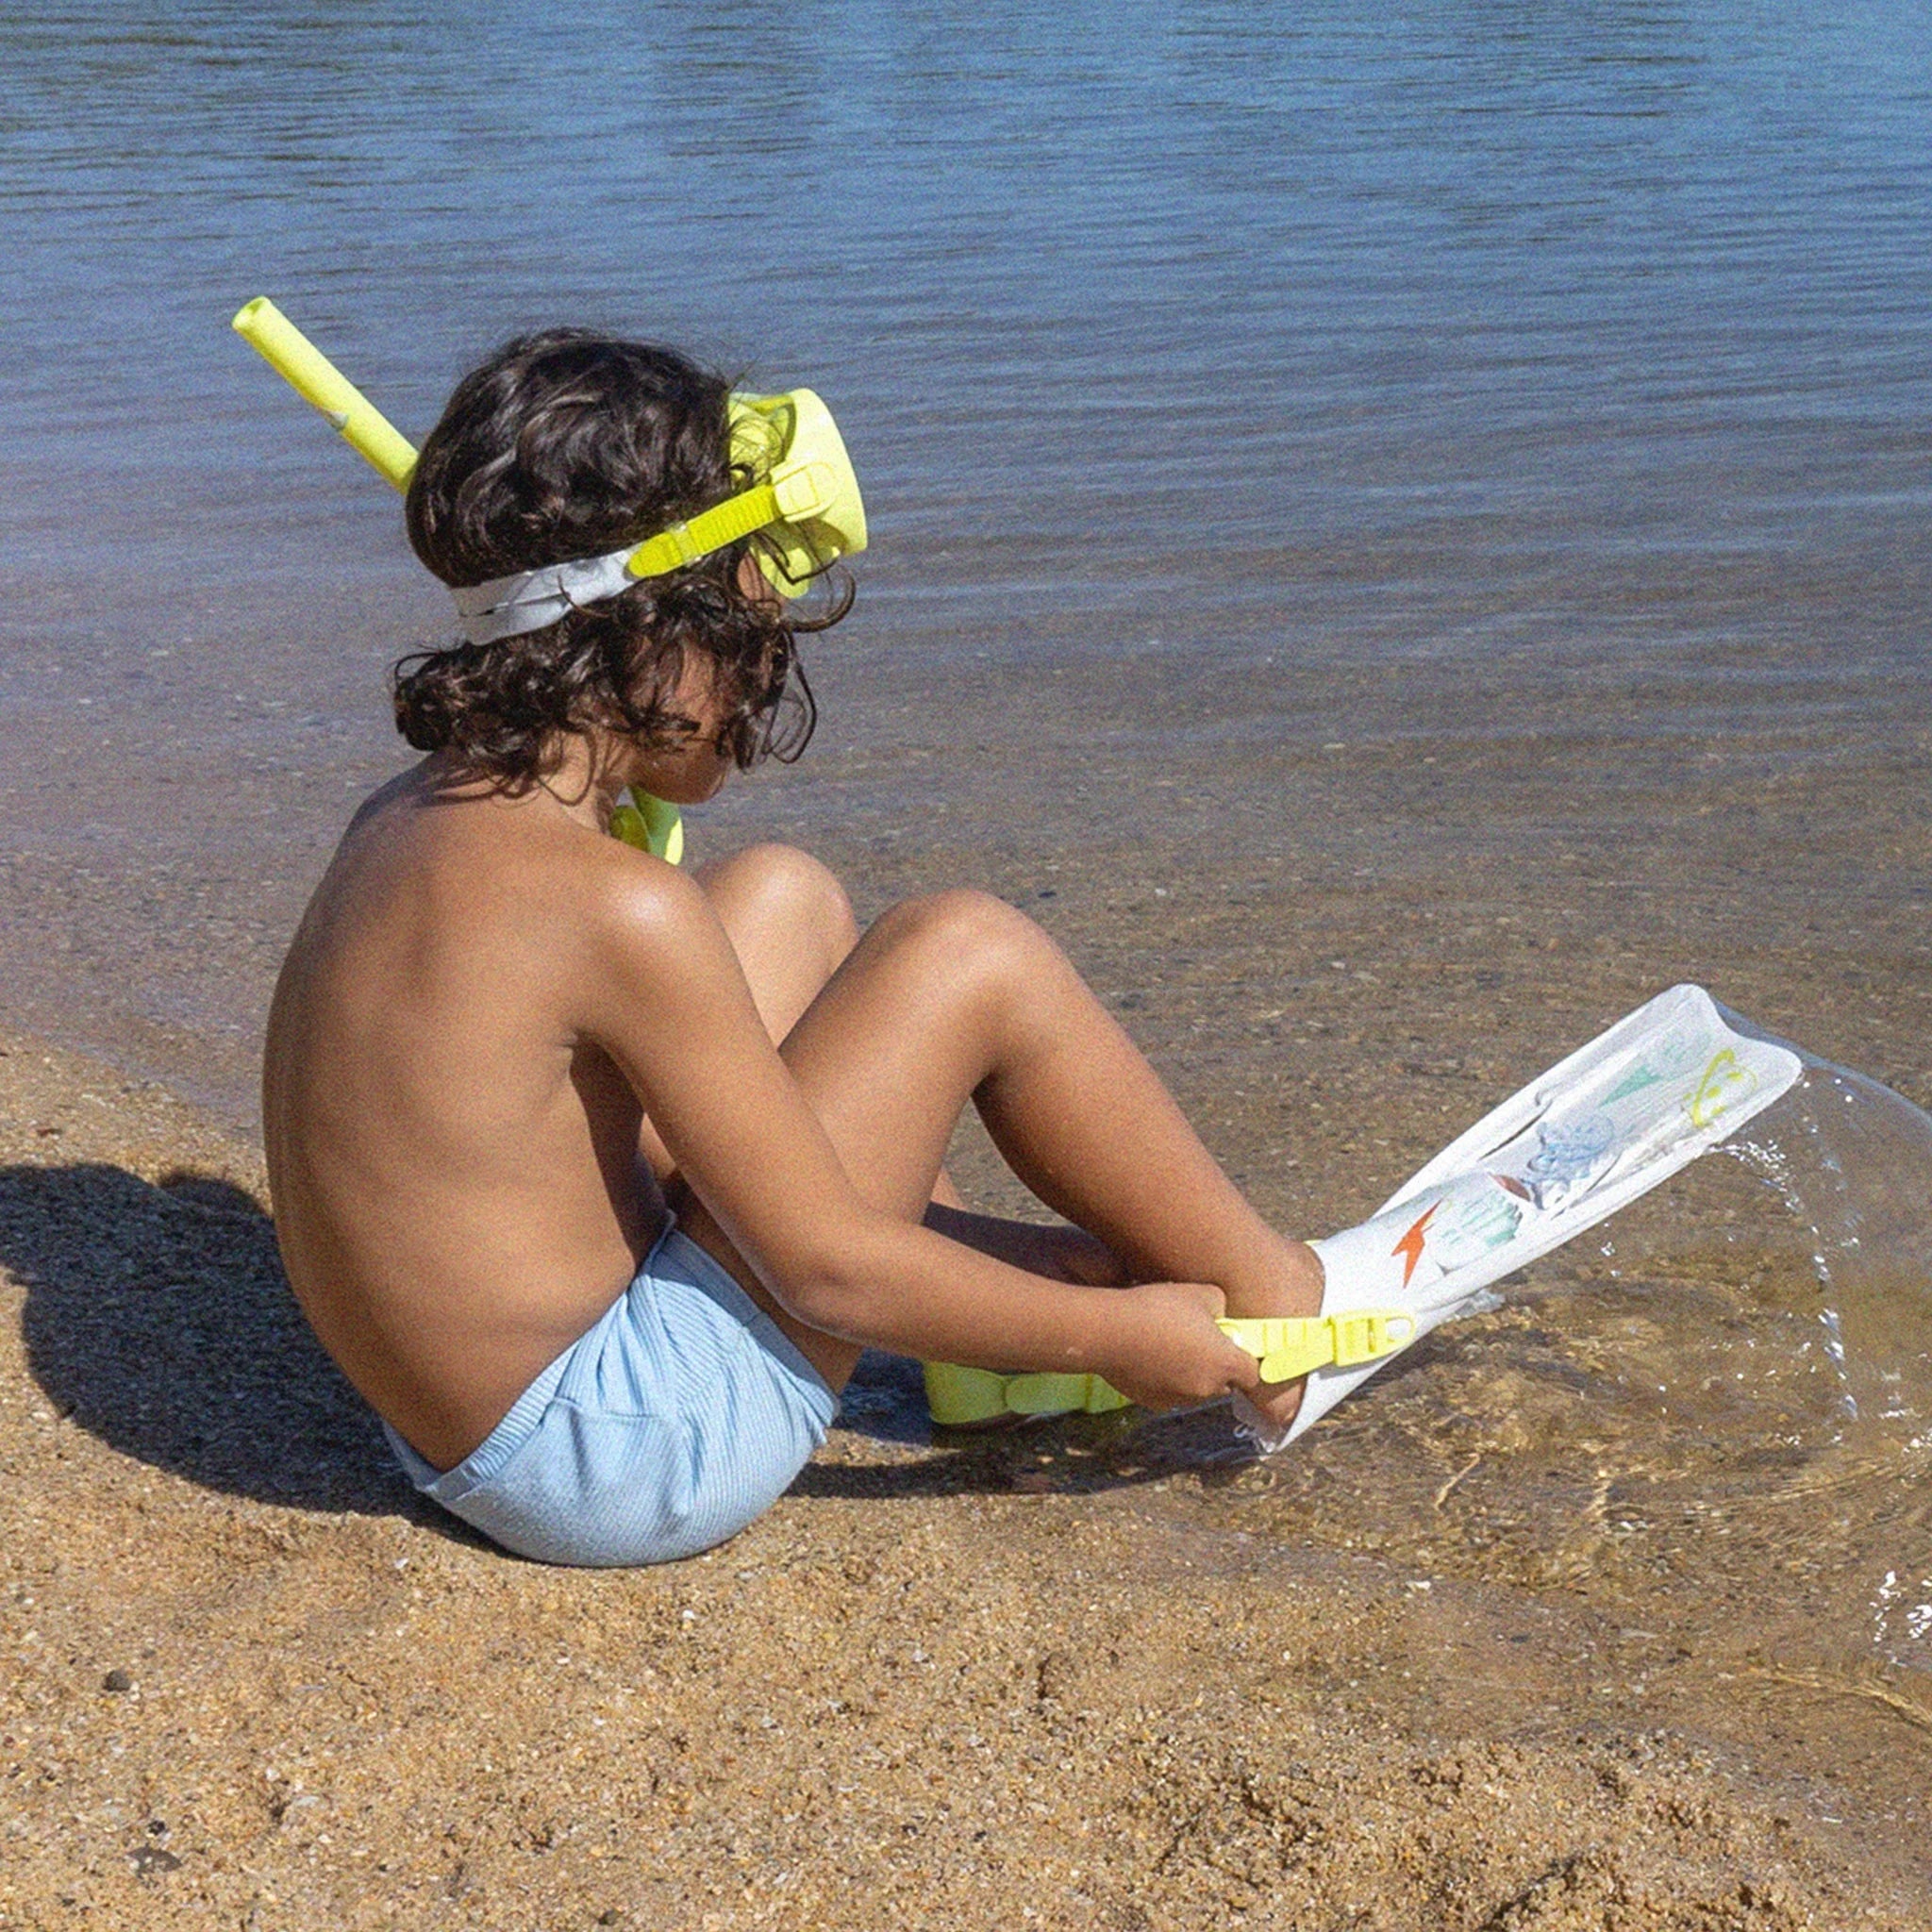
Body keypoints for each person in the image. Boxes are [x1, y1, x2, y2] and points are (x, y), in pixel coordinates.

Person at [261, 328, 1324, 1568]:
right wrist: (1121, 1342)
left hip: (446, 1425)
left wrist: (1045, 1279)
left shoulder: (407, 820)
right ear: (650, 632)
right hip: (608, 1458)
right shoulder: (613, 911)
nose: (766, 673)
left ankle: (1024, 1320)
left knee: (785, 895)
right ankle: (1278, 1306)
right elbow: (823, 1272)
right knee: (964, 951)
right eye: (751, 630)